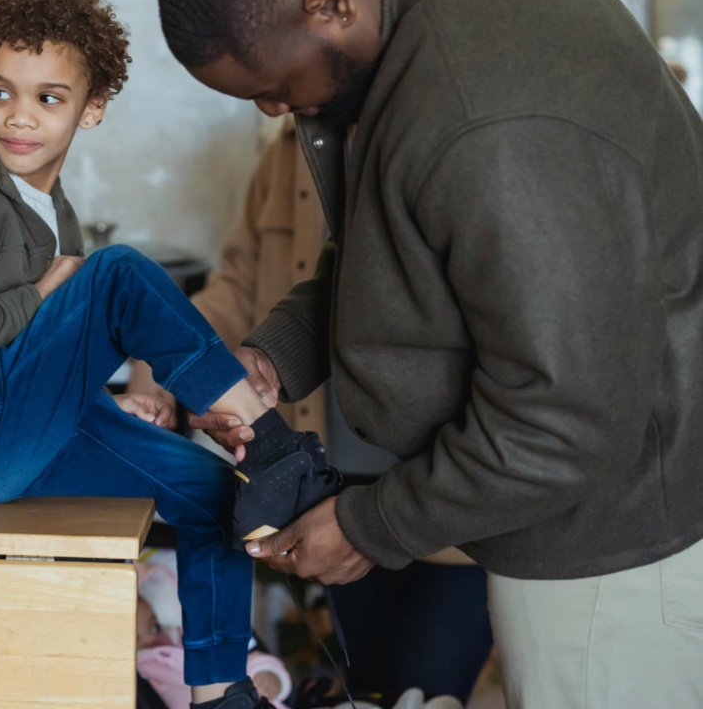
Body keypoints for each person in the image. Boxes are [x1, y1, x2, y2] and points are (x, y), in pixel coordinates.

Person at [154, 0, 703, 706]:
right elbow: (410, 248)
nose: (273, 108)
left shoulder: (493, 121)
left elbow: (566, 420)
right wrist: (276, 354)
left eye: (271, 85)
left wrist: (371, 528)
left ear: (330, 5)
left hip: (614, 555)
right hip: (575, 510)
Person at [0, 0, 340, 709]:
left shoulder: (53, 214)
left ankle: (220, 691)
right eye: (0, 93)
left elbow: (49, 359)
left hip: (28, 433)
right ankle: (273, 443)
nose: (19, 118)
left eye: (48, 98)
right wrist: (44, 292)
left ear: (92, 109)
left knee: (221, 495)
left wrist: (143, 400)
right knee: (117, 273)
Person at [134, 118, 495, 706]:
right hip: (329, 485)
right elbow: (238, 284)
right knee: (367, 683)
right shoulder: (288, 151)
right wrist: (164, 356)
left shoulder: (442, 135)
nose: (268, 101)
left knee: (427, 688)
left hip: (446, 489)